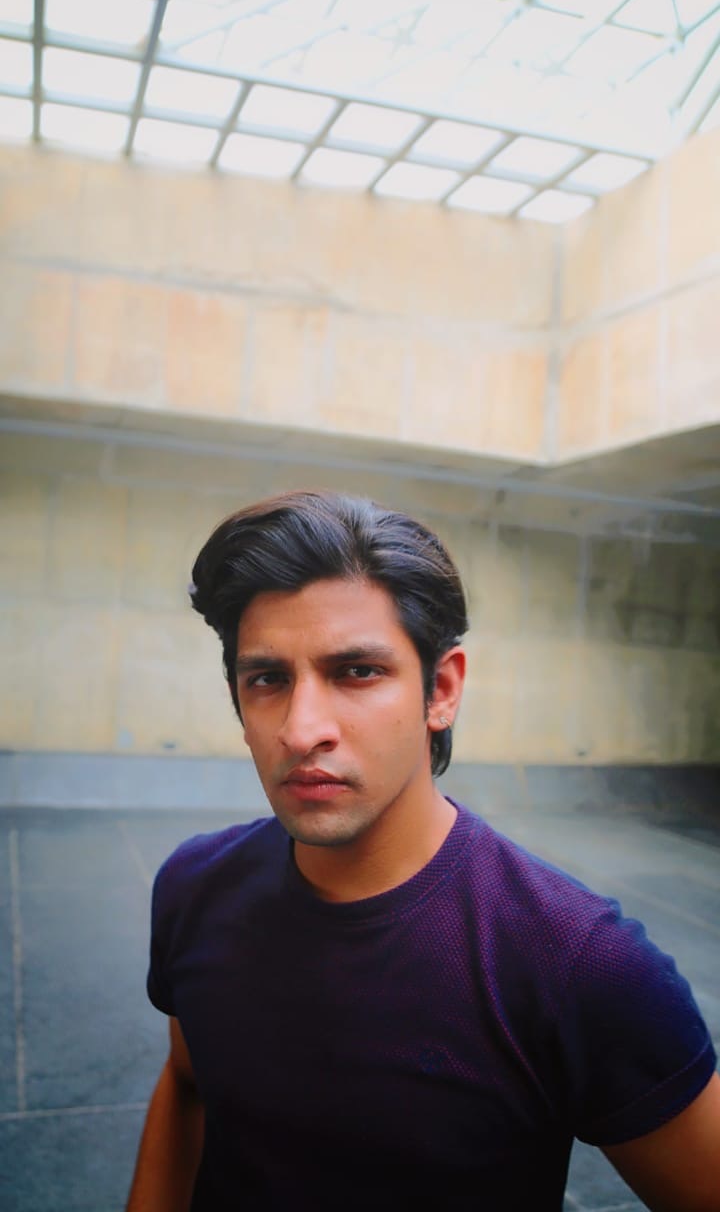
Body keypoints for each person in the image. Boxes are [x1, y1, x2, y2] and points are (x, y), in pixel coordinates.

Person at [126, 491, 720, 1212]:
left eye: (356, 671)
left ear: (440, 689)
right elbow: (188, 1082)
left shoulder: (582, 964)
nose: (301, 729)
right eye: (268, 679)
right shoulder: (193, 886)